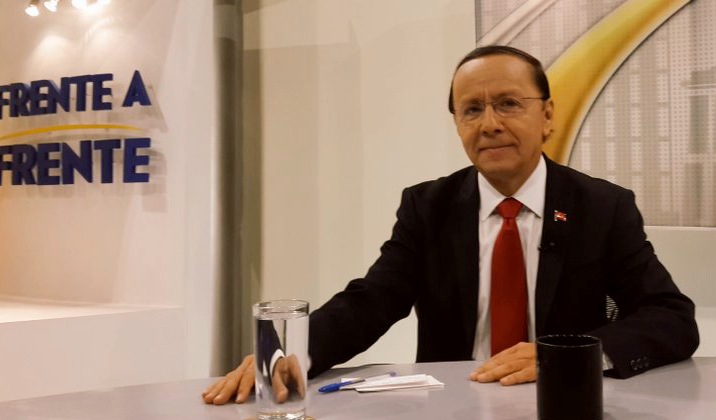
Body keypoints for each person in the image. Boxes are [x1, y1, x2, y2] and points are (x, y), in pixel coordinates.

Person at [202, 45, 699, 405]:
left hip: (564, 403)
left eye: (508, 104)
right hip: (456, 405)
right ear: (458, 125)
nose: (489, 124)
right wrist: (291, 352)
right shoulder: (428, 206)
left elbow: (672, 317)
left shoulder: (602, 206)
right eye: (471, 110)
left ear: (547, 115)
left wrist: (572, 357)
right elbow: (373, 300)